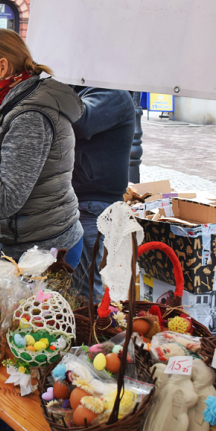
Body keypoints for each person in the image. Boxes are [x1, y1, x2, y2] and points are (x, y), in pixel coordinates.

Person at [0, 29, 85, 262]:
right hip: (31, 244)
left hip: (44, 252)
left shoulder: (29, 116)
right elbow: (12, 170)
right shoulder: (13, 103)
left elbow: (7, 200)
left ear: (3, 67)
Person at [68, 87, 135, 302]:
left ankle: (92, 332)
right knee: (72, 286)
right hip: (78, 202)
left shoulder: (113, 93)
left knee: (82, 291)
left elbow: (82, 121)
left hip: (93, 205)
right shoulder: (80, 90)